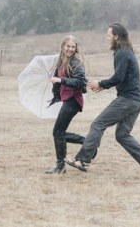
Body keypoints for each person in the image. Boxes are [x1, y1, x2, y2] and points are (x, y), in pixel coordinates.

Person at [65, 23, 140, 178]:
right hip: (137, 101)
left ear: (116, 37)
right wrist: (104, 86)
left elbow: (119, 77)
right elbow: (121, 78)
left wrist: (101, 84)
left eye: (109, 35)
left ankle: (83, 160)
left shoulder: (121, 52)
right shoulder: (126, 52)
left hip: (128, 100)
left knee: (98, 124)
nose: (107, 38)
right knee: (122, 134)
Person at [45, 35, 88, 174]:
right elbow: (60, 81)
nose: (70, 49)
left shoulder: (76, 62)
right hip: (67, 99)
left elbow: (80, 82)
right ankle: (61, 165)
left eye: (73, 47)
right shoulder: (61, 62)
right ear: (63, 46)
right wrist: (56, 91)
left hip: (74, 101)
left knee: (57, 132)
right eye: (68, 46)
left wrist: (60, 80)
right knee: (59, 132)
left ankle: (87, 142)